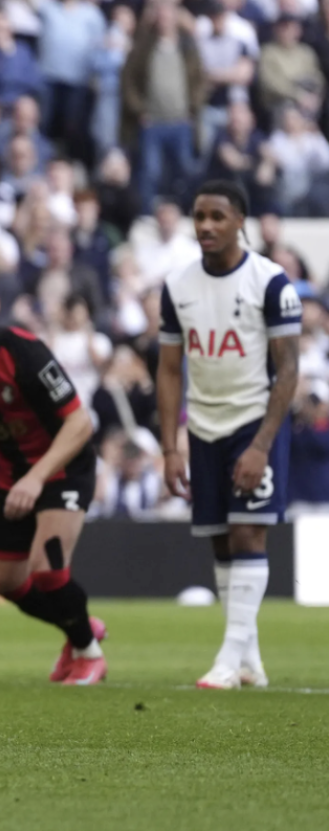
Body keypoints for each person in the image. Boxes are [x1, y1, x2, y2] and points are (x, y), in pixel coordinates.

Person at [0, 267, 107, 685]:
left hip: (64, 467)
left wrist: (35, 479)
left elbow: (80, 423)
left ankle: (88, 653)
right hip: (10, 473)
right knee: (7, 582)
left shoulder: (26, 353)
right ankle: (80, 625)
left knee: (48, 572)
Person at [158, 180, 301, 690]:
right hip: (203, 425)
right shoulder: (177, 286)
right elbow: (170, 370)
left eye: (217, 216)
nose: (206, 226)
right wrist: (170, 448)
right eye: (199, 216)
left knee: (247, 533)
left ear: (240, 220)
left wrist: (262, 444)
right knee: (219, 540)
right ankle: (251, 662)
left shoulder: (270, 282)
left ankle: (226, 659)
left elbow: (288, 370)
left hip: (253, 421)